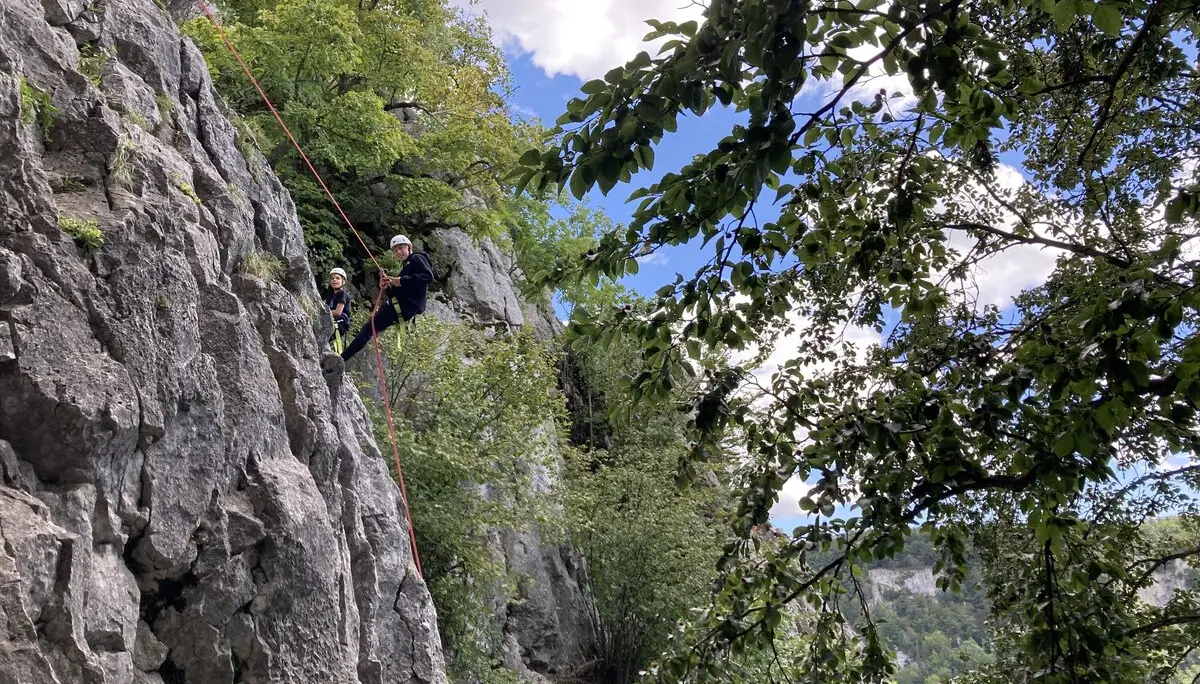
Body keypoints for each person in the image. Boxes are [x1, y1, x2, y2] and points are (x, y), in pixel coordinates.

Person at [340, 234, 434, 362]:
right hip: (402, 306)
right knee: (369, 329)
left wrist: (400, 281)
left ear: (409, 247)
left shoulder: (417, 258)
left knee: (369, 329)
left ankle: (341, 358)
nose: (399, 252)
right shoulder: (407, 267)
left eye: (401, 248)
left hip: (404, 306)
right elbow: (399, 291)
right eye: (395, 250)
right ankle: (342, 358)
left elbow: (428, 276)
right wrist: (387, 287)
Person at [327, 267, 352, 353]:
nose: (334, 280)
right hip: (334, 323)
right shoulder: (331, 297)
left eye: (337, 278)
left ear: (343, 281)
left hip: (339, 323)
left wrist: (323, 314)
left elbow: (338, 312)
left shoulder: (342, 294)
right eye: (332, 278)